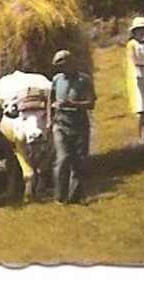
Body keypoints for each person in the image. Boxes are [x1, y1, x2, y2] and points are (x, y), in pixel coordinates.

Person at [49, 49, 96, 204]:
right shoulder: (56, 80)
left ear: (72, 63)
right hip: (61, 124)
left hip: (80, 124)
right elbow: (50, 101)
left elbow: (91, 103)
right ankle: (59, 197)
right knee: (62, 159)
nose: (62, 69)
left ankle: (74, 197)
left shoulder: (84, 80)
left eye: (64, 65)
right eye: (59, 66)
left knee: (79, 162)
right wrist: (50, 120)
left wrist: (72, 104)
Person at [124, 16, 144, 144]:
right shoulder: (131, 45)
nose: (142, 32)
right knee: (142, 109)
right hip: (137, 78)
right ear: (134, 32)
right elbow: (135, 61)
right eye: (139, 30)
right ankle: (141, 137)